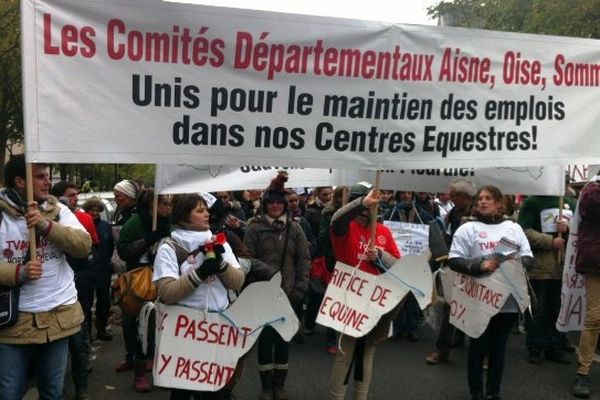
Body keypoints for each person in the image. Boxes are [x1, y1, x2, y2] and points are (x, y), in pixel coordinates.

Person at [0, 154, 91, 400]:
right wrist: (17, 273)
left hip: (57, 316)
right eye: (40, 177)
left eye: (48, 176)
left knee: (52, 392)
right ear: (20, 181)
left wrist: (46, 227)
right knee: (9, 393)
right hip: (12, 323)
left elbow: (84, 245)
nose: (47, 182)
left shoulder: (57, 210)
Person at [153, 193, 245, 400]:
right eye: (200, 210)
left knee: (214, 391)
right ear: (184, 215)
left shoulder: (218, 241)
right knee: (183, 391)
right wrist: (200, 273)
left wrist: (220, 265)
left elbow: (238, 281)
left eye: (206, 210)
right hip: (184, 331)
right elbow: (166, 293)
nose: (207, 214)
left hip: (216, 328)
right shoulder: (169, 247)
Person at [448, 185, 533, 400]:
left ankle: (493, 393)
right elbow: (454, 260)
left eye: (488, 198)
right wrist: (480, 266)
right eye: (480, 199)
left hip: (506, 300)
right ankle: (477, 393)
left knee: (498, 348)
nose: (482, 202)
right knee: (478, 346)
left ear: (499, 203)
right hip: (477, 298)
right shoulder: (467, 228)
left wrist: (512, 262)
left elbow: (529, 259)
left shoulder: (513, 228)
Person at [328, 183, 401, 400]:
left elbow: (399, 265)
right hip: (349, 299)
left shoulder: (384, 231)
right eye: (363, 203)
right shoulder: (345, 228)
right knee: (345, 354)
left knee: (367, 353)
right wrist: (361, 201)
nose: (367, 210)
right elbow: (336, 221)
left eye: (371, 204)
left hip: (374, 301)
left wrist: (380, 255)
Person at [244, 171, 311, 400]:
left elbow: (304, 260)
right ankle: (265, 386)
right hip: (262, 293)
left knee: (284, 339)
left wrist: (300, 289)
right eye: (270, 203)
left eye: (278, 203)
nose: (274, 206)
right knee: (265, 339)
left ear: (285, 206)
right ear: (265, 205)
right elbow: (247, 259)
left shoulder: (295, 229)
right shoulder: (254, 228)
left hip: (289, 294)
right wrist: (270, 272)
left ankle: (280, 387)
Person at [116, 189, 172, 392]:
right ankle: (135, 361)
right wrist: (148, 240)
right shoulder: (134, 223)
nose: (167, 207)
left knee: (159, 323)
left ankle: (153, 358)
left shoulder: (171, 223)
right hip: (138, 281)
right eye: (163, 203)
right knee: (135, 322)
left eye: (168, 203)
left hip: (163, 279)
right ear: (151, 206)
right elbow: (123, 251)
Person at [51, 181, 100, 400]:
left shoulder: (83, 220)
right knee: (54, 355)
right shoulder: (44, 218)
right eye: (70, 196)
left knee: (78, 346)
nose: (75, 199)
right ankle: (57, 390)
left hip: (76, 292)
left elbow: (91, 249)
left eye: (76, 195)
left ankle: (82, 389)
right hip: (52, 297)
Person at [518, 191, 576, 365]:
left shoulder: (570, 202)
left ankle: (554, 347)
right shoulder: (532, 202)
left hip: (563, 266)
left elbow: (579, 228)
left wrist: (568, 229)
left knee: (556, 309)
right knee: (538, 309)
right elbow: (523, 231)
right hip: (540, 266)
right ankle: (535, 347)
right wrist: (549, 241)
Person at [426, 178, 477, 365]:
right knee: (450, 306)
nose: (450, 198)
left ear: (463, 197)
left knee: (478, 309)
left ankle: (483, 352)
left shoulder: (479, 214)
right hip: (455, 266)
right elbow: (448, 236)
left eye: (453, 195)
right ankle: (443, 349)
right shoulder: (453, 213)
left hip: (475, 268)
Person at [572, 172, 600, 399]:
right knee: (595, 318)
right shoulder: (592, 191)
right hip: (597, 264)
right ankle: (583, 371)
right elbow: (589, 207)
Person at [81, 197, 115, 341]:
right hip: (86, 270)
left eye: (97, 210)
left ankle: (101, 329)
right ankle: (87, 332)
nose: (94, 213)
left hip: (103, 269)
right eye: (91, 210)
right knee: (86, 304)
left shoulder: (106, 226)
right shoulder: (80, 225)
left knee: (104, 303)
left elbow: (110, 245)